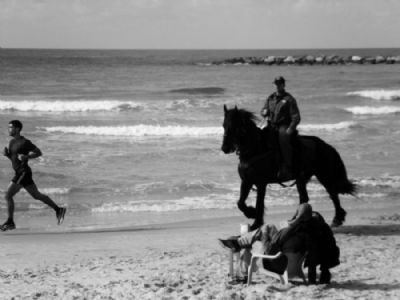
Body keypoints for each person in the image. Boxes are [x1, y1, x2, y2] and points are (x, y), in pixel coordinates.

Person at [219, 203, 339, 284]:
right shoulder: (311, 237)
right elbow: (312, 261)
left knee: (265, 229)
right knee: (268, 228)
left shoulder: (291, 232)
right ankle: (240, 241)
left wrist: (269, 235)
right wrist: (312, 280)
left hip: (275, 264)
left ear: (298, 216)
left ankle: (238, 242)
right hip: (293, 266)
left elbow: (273, 246)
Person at [1, 120, 66, 231]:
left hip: (23, 172)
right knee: (37, 195)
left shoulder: (25, 142)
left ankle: (10, 222)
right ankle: (58, 210)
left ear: (17, 129)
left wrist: (27, 157)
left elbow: (39, 152)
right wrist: (7, 155)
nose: (9, 129)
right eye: (8, 127)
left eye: (11, 127)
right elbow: (14, 159)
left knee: (8, 195)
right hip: (20, 172)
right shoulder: (12, 142)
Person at [260, 76, 301, 181]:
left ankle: (287, 166)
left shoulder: (289, 99)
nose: (277, 86)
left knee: (283, 139)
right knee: (259, 136)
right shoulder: (270, 98)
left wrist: (291, 128)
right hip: (272, 125)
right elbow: (264, 109)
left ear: (283, 85)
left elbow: (296, 116)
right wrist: (264, 112)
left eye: (279, 84)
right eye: (276, 84)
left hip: (284, 125)